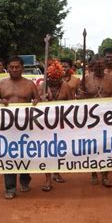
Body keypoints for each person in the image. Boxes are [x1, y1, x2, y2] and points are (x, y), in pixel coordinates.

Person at [0, 56, 41, 199]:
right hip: (6, 128)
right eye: (11, 67)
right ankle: (10, 187)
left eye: (17, 67)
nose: (14, 69)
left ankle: (25, 180)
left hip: (25, 126)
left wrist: (37, 101)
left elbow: (38, 100)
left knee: (24, 155)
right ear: (8, 68)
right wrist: (0, 101)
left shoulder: (30, 84)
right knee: (9, 156)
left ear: (22, 68)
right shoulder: (1, 84)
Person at [78, 54, 112, 187]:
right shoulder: (85, 80)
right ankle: (94, 171)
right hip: (91, 119)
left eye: (101, 65)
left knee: (106, 147)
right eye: (96, 65)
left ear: (105, 65)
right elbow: (79, 98)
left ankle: (105, 174)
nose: (99, 68)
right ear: (92, 67)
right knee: (93, 147)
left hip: (107, 119)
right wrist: (82, 96)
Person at [37, 60, 72, 191]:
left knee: (59, 151)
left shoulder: (66, 87)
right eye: (51, 80)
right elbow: (34, 104)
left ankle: (56, 172)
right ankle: (47, 179)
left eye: (57, 80)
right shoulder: (42, 87)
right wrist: (42, 100)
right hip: (45, 126)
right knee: (47, 151)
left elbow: (72, 105)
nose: (54, 83)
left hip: (61, 125)